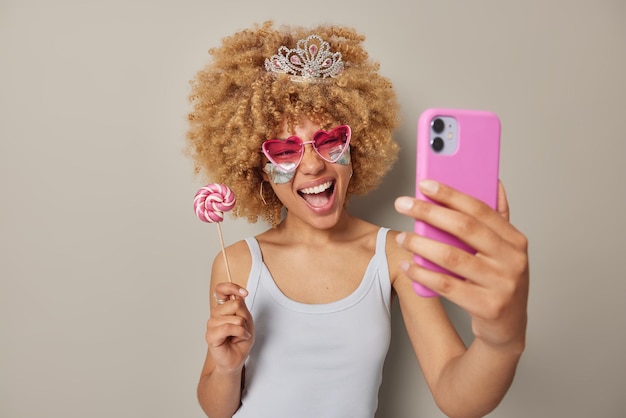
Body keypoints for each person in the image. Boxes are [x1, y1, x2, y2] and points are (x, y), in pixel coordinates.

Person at [185, 21, 529, 418]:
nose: (313, 165)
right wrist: (228, 367)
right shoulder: (238, 262)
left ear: (356, 149)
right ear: (260, 169)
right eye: (285, 151)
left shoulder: (398, 255)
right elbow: (215, 409)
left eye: (331, 141)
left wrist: (503, 341)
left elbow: (458, 398)